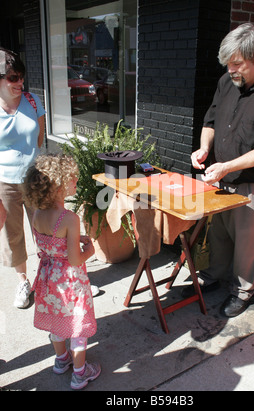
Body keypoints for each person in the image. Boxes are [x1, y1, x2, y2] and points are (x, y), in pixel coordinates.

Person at [185, 23, 254, 317]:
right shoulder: (226, 82)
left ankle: (242, 291)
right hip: (220, 176)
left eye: (237, 64)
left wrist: (226, 166)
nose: (231, 70)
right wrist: (204, 148)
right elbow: (210, 120)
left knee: (247, 242)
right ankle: (212, 278)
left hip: (253, 181)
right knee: (219, 234)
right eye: (228, 64)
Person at [22, 154, 101, 390]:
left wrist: (74, 241)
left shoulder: (36, 213)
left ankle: (61, 360)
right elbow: (75, 259)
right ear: (57, 186)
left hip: (47, 279)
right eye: (72, 178)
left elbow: (49, 246)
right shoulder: (69, 218)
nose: (76, 180)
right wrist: (90, 250)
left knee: (56, 323)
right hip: (70, 283)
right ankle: (80, 373)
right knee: (77, 325)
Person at [0, 47, 46, 308]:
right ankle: (23, 281)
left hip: (34, 178)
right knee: (13, 234)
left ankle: (52, 276)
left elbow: (40, 135)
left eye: (21, 77)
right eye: (13, 78)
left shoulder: (32, 100)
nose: (20, 83)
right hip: (4, 181)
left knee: (46, 228)